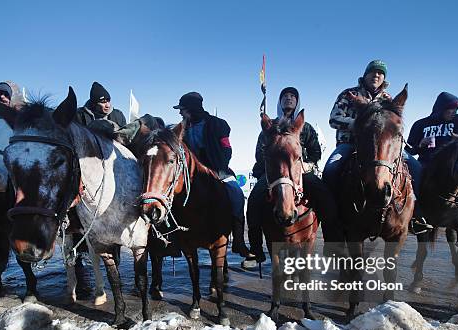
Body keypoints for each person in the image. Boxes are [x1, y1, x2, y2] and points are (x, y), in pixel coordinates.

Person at [243, 87, 345, 267]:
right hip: (274, 174)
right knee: (254, 200)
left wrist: (306, 164)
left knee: (325, 196)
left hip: (301, 171)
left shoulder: (305, 127)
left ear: (297, 102)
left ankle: (333, 244)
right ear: (279, 101)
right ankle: (256, 250)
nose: (289, 99)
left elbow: (315, 152)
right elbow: (260, 154)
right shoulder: (269, 127)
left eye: (292, 96)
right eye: (285, 96)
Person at [323, 59, 428, 232]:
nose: (376, 75)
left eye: (380, 73)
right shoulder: (349, 93)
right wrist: (360, 124)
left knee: (416, 168)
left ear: (383, 79)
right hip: (350, 144)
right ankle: (332, 215)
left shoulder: (388, 99)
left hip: (384, 149)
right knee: (330, 170)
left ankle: (417, 215)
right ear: (365, 75)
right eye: (373, 72)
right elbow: (334, 118)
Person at [407, 92, 458, 250]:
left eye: (456, 109)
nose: (453, 112)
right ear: (440, 108)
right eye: (449, 109)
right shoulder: (420, 124)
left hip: (450, 165)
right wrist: (420, 145)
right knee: (411, 182)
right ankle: (412, 218)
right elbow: (408, 150)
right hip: (426, 164)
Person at [173, 92, 251, 257]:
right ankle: (174, 240)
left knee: (236, 195)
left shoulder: (217, 124)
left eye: (183, 109)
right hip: (188, 176)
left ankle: (238, 241)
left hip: (218, 171)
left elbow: (227, 150)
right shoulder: (180, 128)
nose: (180, 113)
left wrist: (217, 168)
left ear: (192, 108)